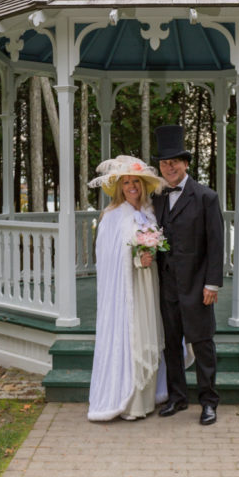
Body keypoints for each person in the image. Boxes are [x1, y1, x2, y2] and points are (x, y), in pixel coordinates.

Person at [152, 125, 224, 426]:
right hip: (165, 285)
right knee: (172, 343)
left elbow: (217, 243)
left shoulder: (205, 197)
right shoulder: (155, 197)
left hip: (197, 285)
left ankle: (208, 402)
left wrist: (212, 283)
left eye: (175, 162)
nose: (170, 167)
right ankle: (177, 398)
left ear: (186, 163)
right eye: (165, 163)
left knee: (202, 343)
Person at [87, 155, 168, 422]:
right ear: (119, 187)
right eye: (126, 182)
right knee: (131, 336)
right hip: (127, 287)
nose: (131, 186)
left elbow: (154, 243)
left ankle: (148, 399)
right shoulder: (112, 217)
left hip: (147, 285)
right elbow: (108, 256)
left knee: (148, 333)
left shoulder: (148, 212)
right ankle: (131, 403)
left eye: (135, 181)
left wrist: (150, 255)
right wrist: (136, 259)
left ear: (142, 185)